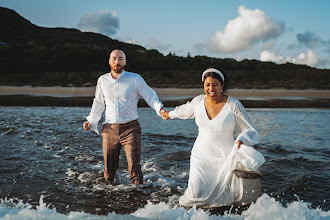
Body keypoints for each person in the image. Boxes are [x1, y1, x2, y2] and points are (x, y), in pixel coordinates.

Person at [160, 68, 262, 207]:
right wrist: (169, 114)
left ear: (222, 86)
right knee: (195, 194)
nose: (211, 88)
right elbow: (185, 110)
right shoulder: (198, 102)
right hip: (200, 154)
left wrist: (241, 139)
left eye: (215, 84)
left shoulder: (233, 105)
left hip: (224, 156)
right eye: (207, 85)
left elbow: (250, 129)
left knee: (226, 197)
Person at [83, 49, 163, 185]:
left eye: (120, 58)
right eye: (114, 58)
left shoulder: (135, 79)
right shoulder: (102, 80)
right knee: (109, 170)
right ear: (109, 61)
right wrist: (91, 119)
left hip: (131, 128)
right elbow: (98, 102)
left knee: (134, 167)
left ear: (125, 62)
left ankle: (138, 197)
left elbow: (150, 95)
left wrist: (159, 108)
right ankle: (108, 199)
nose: (117, 61)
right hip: (109, 129)